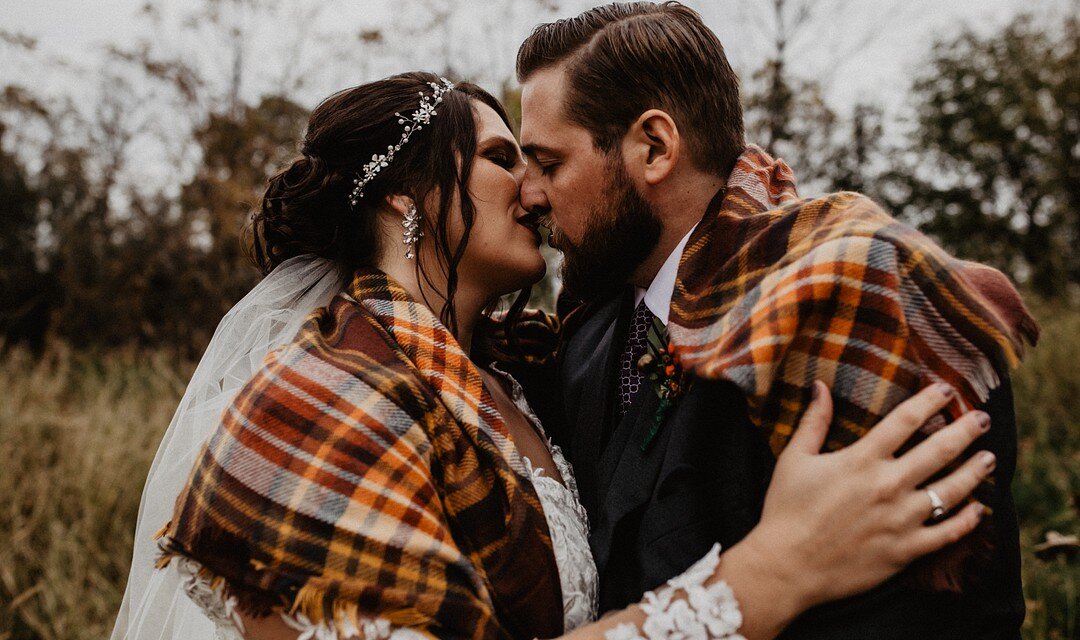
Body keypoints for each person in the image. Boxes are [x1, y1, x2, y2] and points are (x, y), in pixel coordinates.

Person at [113, 72, 995, 640]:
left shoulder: (519, 374)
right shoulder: (317, 396)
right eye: (503, 158)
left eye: (540, 163)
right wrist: (772, 573)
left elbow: (686, 246)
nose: (533, 190)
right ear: (404, 195)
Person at [515, 2, 1038, 639]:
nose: (530, 194)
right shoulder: (585, 339)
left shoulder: (862, 319)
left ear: (654, 147)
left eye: (549, 164)